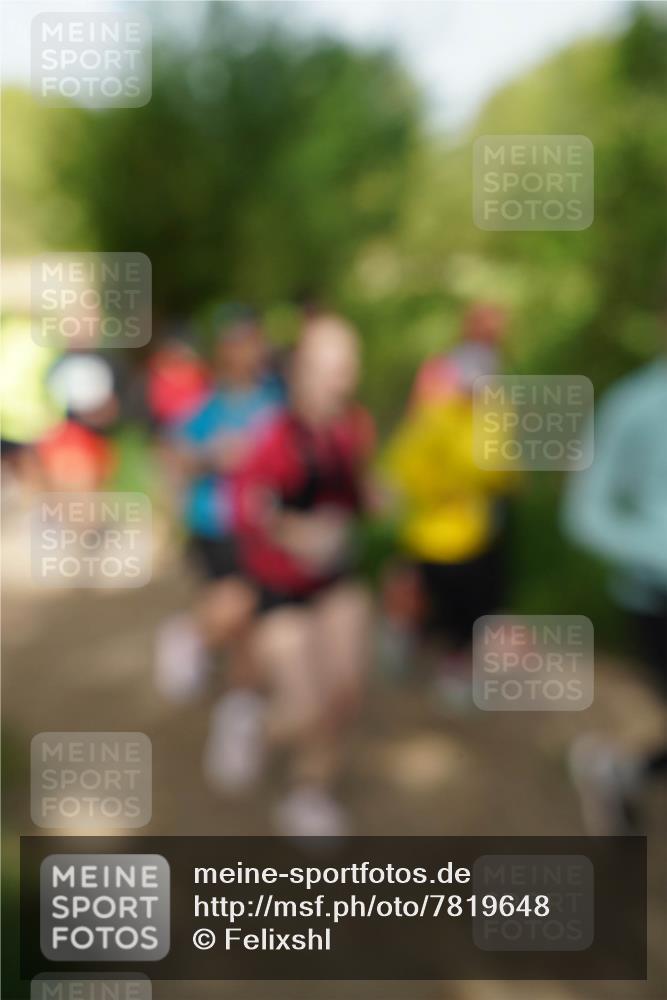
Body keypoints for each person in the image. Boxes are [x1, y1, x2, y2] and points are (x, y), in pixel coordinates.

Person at [206, 314, 374, 835]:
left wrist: (369, 503)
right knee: (303, 705)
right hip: (279, 586)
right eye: (330, 367)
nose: (340, 380)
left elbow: (353, 497)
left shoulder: (351, 429)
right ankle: (249, 717)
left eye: (348, 367)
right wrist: (290, 531)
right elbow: (244, 506)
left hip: (335, 581)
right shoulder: (272, 434)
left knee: (343, 693)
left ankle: (310, 791)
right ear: (301, 370)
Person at [381, 304, 514, 703]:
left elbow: (501, 469)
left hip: (468, 530)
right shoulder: (438, 403)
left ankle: (451, 660)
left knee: (468, 601)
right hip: (432, 528)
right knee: (418, 586)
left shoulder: (493, 412)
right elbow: (408, 460)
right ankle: (410, 640)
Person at [154, 306, 284, 702]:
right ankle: (193, 635)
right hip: (215, 523)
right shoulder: (206, 403)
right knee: (238, 608)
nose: (245, 350)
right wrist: (215, 455)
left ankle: (238, 710)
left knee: (250, 626)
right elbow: (173, 456)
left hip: (263, 526)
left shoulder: (277, 401)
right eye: (235, 342)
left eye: (251, 340)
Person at [563, 351, 667, 833]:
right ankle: (614, 769)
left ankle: (615, 769)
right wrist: (655, 549)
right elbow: (584, 511)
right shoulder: (635, 402)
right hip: (654, 597)